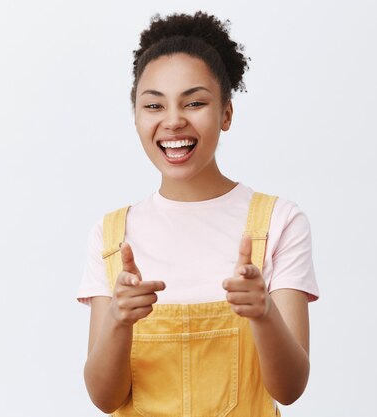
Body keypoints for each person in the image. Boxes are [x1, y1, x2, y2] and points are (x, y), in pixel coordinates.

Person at [77, 11, 319, 417]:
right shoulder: (112, 234)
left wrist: (263, 313)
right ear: (135, 116)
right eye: (153, 104)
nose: (173, 120)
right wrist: (118, 321)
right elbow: (105, 399)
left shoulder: (278, 221)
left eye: (194, 102)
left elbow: (290, 389)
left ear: (226, 113)